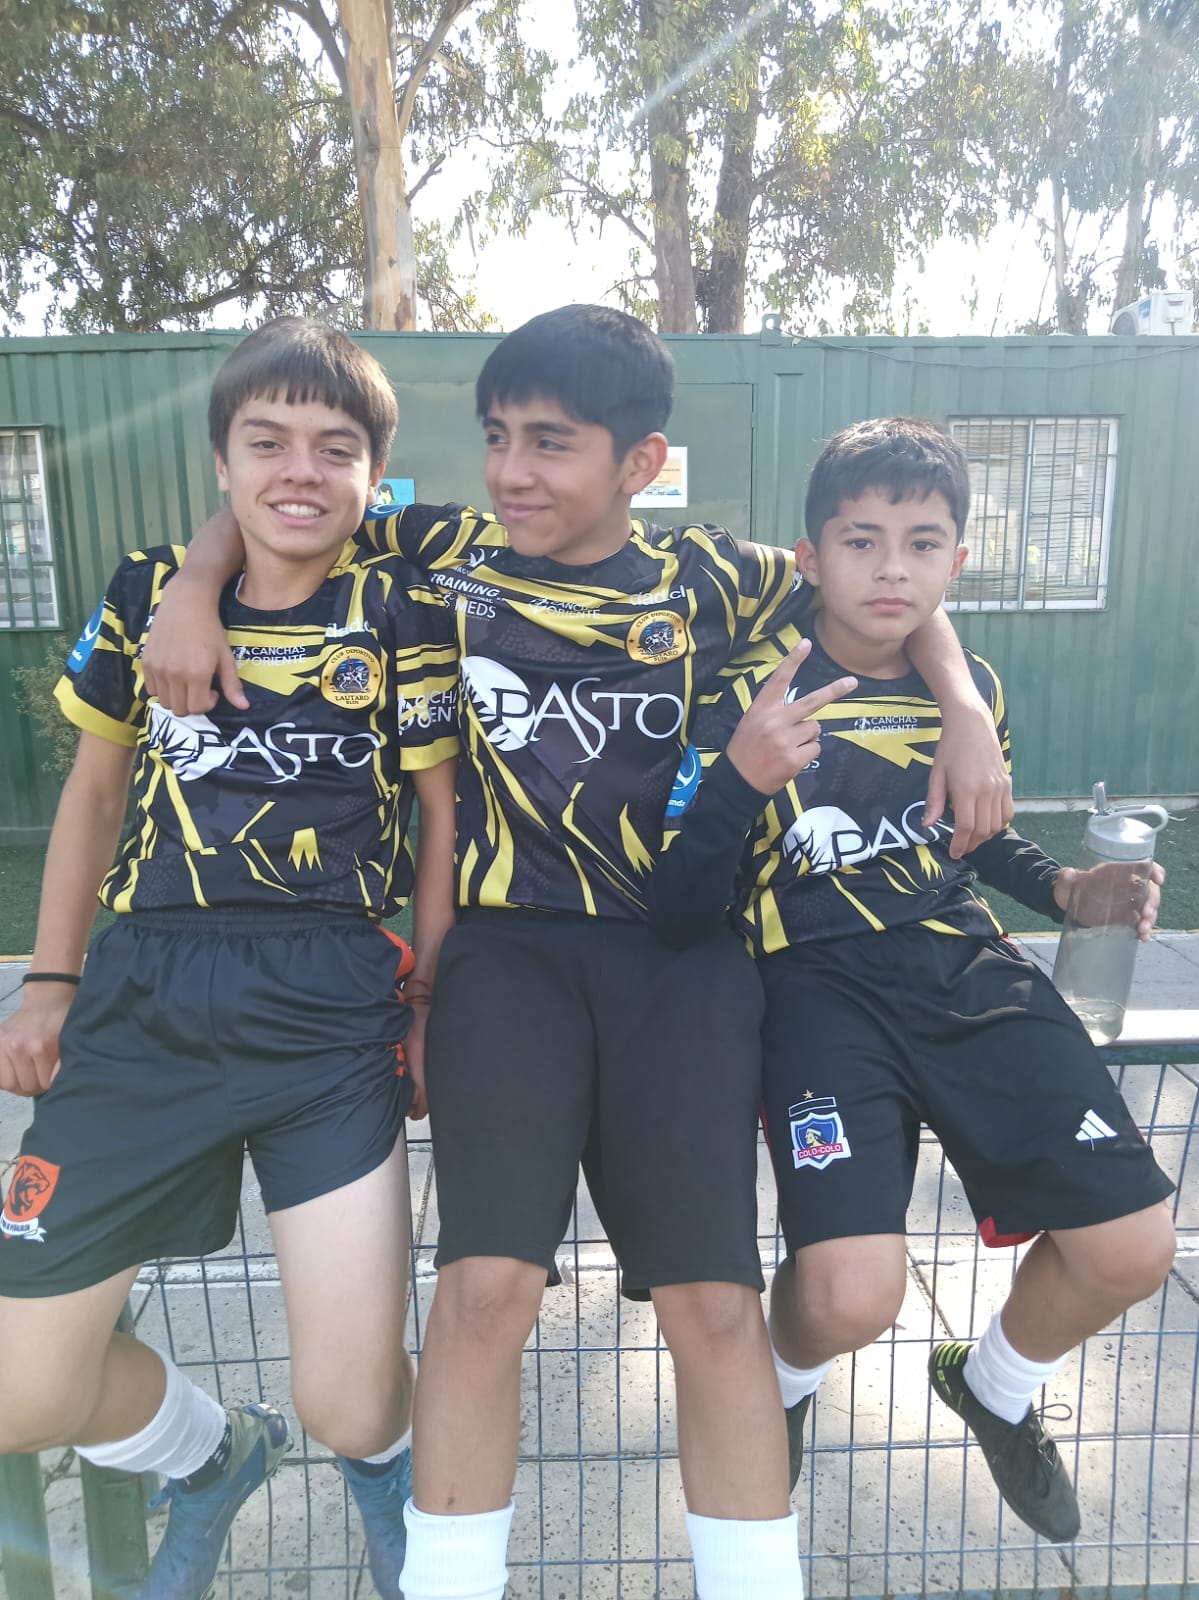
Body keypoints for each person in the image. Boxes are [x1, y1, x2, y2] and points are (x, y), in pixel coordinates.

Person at [141, 307, 1014, 1600]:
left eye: (550, 443)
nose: (511, 471)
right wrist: (191, 585)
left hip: (680, 964)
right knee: (483, 1292)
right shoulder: (451, 553)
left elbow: (881, 591)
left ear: (640, 463)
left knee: (714, 1307)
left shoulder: (711, 577)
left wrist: (966, 709)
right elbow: (288, 513)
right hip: (507, 963)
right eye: (498, 437)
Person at [647, 416, 1177, 1545]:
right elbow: (681, 904)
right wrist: (740, 779)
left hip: (961, 967)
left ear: (957, 564)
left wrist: (1067, 888)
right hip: (811, 988)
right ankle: (784, 1387)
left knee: (1135, 1248)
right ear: (810, 555)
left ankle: (994, 1387)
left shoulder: (969, 685)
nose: (892, 569)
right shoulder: (745, 680)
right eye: (862, 541)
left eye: (923, 544)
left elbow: (969, 840)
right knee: (849, 1297)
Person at [0, 319, 460, 1600]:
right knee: (16, 1389)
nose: (299, 469)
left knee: (351, 1403)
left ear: (375, 474)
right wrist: (51, 979)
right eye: (267, 442)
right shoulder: (146, 593)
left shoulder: (406, 605)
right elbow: (94, 797)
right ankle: (207, 1454)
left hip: (331, 1015)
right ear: (221, 460)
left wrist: (428, 1000)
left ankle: (383, 1476)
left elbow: (442, 819)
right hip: (143, 999)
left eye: (335, 446)